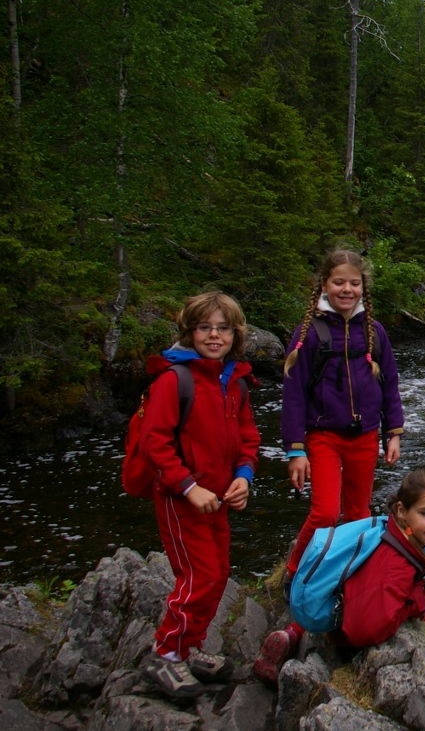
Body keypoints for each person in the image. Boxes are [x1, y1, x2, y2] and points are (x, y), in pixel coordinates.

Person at [254, 466, 425, 682]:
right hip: (350, 627)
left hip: (344, 598)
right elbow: (363, 631)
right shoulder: (396, 565)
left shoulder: (402, 533)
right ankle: (307, 634)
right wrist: (412, 602)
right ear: (403, 511)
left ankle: (294, 632)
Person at [140, 292, 261, 700]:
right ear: (190, 332)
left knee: (219, 573)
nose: (214, 335)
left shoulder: (235, 382)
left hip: (218, 498)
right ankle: (166, 653)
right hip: (181, 499)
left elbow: (247, 436)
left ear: (235, 334)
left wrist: (243, 475)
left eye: (223, 328)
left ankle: (188, 647)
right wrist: (188, 488)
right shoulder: (175, 379)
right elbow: (153, 444)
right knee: (199, 575)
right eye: (205, 327)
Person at [279, 248, 405, 599]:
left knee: (359, 514)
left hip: (364, 436)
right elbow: (293, 395)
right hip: (322, 437)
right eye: (339, 282)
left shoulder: (374, 332)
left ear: (363, 286)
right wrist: (295, 449)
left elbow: (390, 384)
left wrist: (392, 433)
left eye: (354, 283)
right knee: (324, 513)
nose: (347, 289)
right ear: (324, 285)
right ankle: (293, 573)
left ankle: (348, 575)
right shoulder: (310, 334)